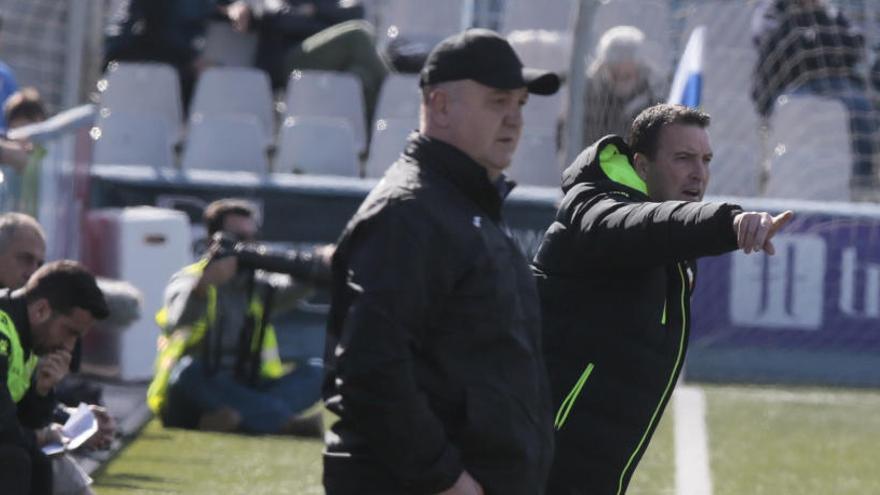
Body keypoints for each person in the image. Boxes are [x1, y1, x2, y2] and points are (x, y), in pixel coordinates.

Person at [322, 29, 561, 495]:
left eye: (520, 104)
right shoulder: (411, 211)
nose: (514, 120)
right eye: (497, 102)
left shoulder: (463, 205)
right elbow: (371, 367)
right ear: (441, 105)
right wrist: (446, 479)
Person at [533, 104, 794, 494]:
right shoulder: (594, 209)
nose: (699, 173)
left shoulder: (673, 246)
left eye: (705, 160)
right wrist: (728, 222)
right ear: (641, 166)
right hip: (535, 463)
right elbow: (645, 227)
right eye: (683, 158)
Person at [147, 198, 332, 436]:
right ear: (212, 241)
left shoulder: (259, 285)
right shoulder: (188, 280)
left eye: (251, 238)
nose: (247, 246)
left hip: (247, 383)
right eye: (238, 239)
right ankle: (284, 423)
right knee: (187, 372)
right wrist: (203, 286)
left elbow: (299, 285)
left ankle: (226, 420)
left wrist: (322, 260)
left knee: (318, 372)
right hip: (200, 386)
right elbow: (179, 321)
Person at [0, 213, 117, 495]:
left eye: (38, 263)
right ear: (41, 310)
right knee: (14, 459)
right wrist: (43, 434)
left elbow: (18, 419)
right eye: (70, 332)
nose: (69, 345)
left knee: (37, 459)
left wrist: (43, 392)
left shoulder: (27, 332)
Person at [751, 0, 877, 184]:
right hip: (789, 84)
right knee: (799, 109)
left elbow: (853, 42)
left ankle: (860, 182)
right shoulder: (771, 9)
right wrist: (807, 33)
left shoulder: (828, 11)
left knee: (861, 106)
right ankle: (783, 176)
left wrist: (815, 28)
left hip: (833, 82)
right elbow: (765, 38)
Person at [222, 0, 391, 125]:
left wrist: (314, 11)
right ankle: (397, 95)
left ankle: (372, 141)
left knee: (362, 75)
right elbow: (277, 17)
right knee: (358, 34)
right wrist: (321, 21)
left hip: (328, 64)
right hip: (287, 63)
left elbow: (355, 12)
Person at [580, 25, 662, 146]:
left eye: (627, 75)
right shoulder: (588, 97)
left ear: (640, 65)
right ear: (604, 66)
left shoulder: (656, 98)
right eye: (615, 72)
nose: (620, 70)